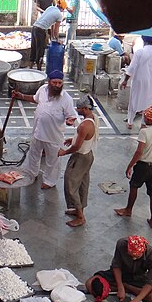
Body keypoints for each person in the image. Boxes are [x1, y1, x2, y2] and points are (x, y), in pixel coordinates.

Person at [12, 70, 77, 190]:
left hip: (53, 136)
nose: (57, 85)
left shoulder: (66, 99)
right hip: (38, 132)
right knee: (33, 154)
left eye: (59, 83)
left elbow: (71, 115)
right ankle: (32, 173)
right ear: (49, 82)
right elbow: (35, 99)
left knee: (53, 161)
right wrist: (21, 96)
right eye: (54, 82)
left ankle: (50, 181)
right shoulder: (43, 89)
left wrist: (70, 121)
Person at [115, 104, 152, 229]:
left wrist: (130, 166)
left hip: (143, 166)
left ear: (148, 119)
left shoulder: (144, 132)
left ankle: (128, 209)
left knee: (134, 186)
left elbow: (139, 152)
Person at [87, 236, 152, 302]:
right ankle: (126, 288)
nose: (133, 258)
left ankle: (126, 287)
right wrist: (120, 286)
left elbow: (150, 282)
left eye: (136, 257)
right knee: (90, 283)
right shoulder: (121, 244)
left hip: (137, 278)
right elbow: (116, 266)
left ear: (143, 251)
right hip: (119, 274)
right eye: (131, 255)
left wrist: (136, 301)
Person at [59, 95, 99, 227]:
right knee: (82, 183)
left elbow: (77, 146)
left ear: (86, 109)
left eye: (80, 108)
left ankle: (80, 216)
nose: (78, 110)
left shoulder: (84, 125)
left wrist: (64, 152)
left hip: (80, 157)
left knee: (71, 184)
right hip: (88, 155)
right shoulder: (93, 119)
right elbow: (84, 138)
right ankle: (79, 209)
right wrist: (74, 138)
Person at [30, 0, 65, 70]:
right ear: (63, 8)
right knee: (40, 50)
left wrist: (52, 37)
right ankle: (38, 69)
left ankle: (30, 67)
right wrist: (57, 39)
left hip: (34, 27)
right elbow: (56, 30)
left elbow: (52, 26)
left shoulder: (50, 8)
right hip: (41, 30)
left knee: (34, 48)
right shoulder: (59, 15)